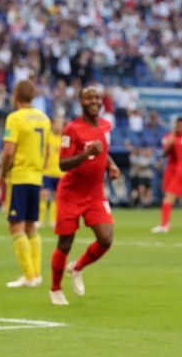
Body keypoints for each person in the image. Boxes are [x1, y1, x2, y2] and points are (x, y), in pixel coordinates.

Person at [49, 87, 121, 305]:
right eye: (89, 97)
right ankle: (55, 289)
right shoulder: (72, 129)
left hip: (95, 193)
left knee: (106, 239)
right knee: (65, 243)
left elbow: (104, 151)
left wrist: (111, 165)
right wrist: (87, 153)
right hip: (71, 193)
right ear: (81, 101)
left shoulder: (106, 125)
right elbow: (62, 164)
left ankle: (77, 267)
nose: (94, 101)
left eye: (97, 97)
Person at [0, 80, 51, 288]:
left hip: (20, 176)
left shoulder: (14, 118)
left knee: (16, 226)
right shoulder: (44, 118)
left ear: (15, 96)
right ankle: (36, 274)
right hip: (36, 177)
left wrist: (3, 172)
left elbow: (8, 150)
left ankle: (29, 276)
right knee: (31, 226)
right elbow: (48, 152)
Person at [39, 117, 65, 229]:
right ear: (52, 124)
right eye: (57, 124)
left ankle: (53, 220)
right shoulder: (48, 136)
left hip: (60, 173)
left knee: (57, 198)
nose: (58, 126)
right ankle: (39, 220)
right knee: (43, 195)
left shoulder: (64, 139)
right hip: (47, 172)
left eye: (60, 124)